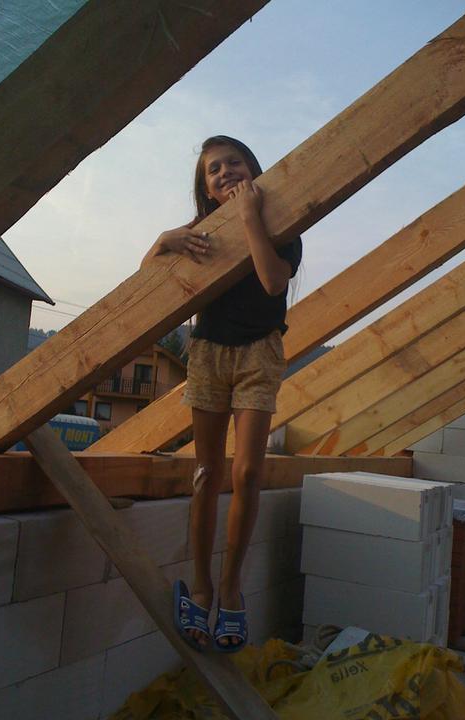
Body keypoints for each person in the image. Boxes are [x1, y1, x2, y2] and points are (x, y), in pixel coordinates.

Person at [141, 136, 302, 652]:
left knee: (248, 472)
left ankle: (230, 589)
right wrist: (162, 242)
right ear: (206, 188)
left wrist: (249, 215)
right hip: (209, 353)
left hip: (259, 354)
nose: (226, 171)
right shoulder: (197, 235)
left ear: (253, 168)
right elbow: (147, 291)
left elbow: (273, 282)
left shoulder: (282, 222)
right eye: (214, 169)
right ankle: (202, 587)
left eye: (234, 162)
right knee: (206, 473)